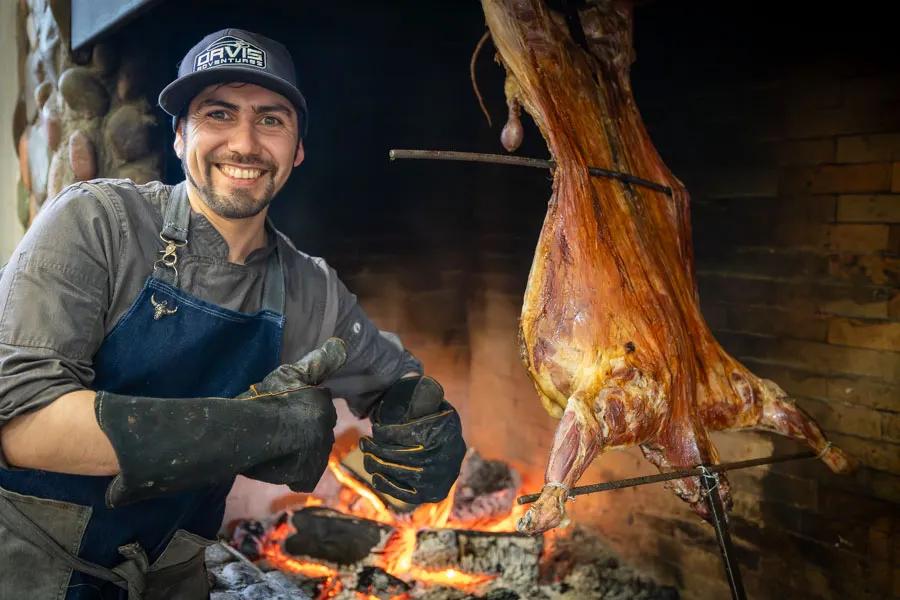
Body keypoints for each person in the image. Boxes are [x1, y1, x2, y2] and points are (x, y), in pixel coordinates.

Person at [0, 28, 466, 600]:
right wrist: (258, 430)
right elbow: (22, 424)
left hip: (170, 577)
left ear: (296, 149)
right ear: (178, 136)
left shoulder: (308, 287)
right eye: (218, 114)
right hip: (33, 569)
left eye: (271, 119)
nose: (244, 143)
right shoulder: (96, 223)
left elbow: (395, 382)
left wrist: (426, 425)